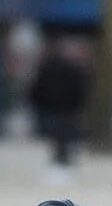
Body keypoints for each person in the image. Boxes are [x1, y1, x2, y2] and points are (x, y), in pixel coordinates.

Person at [29, 40, 90, 168]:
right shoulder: (74, 69)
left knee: (56, 132)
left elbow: (37, 88)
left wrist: (38, 103)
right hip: (68, 108)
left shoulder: (45, 68)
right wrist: (78, 106)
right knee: (64, 132)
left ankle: (59, 155)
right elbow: (80, 89)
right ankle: (63, 154)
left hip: (51, 107)